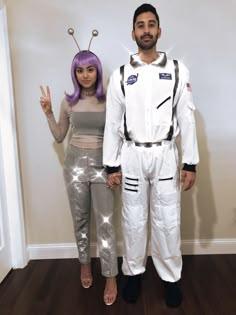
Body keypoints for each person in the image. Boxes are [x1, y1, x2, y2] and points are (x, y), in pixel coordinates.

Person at [103, 3, 199, 308]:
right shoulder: (120, 75)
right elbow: (112, 122)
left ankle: (171, 277)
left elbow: (187, 116)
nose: (146, 30)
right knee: (132, 219)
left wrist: (190, 161)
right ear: (133, 33)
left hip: (165, 155)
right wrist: (111, 164)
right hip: (132, 154)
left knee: (168, 219)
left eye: (151, 24)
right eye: (141, 25)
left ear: (159, 30)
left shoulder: (176, 70)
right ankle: (132, 273)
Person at [39, 49, 118, 306]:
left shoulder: (110, 100)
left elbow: (118, 138)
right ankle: (84, 264)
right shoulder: (67, 101)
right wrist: (49, 112)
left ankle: (110, 275)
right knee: (81, 219)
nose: (85, 75)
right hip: (74, 167)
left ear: (97, 71)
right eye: (79, 70)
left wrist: (117, 169)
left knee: (105, 223)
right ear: (75, 74)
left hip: (102, 167)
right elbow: (60, 136)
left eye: (90, 69)